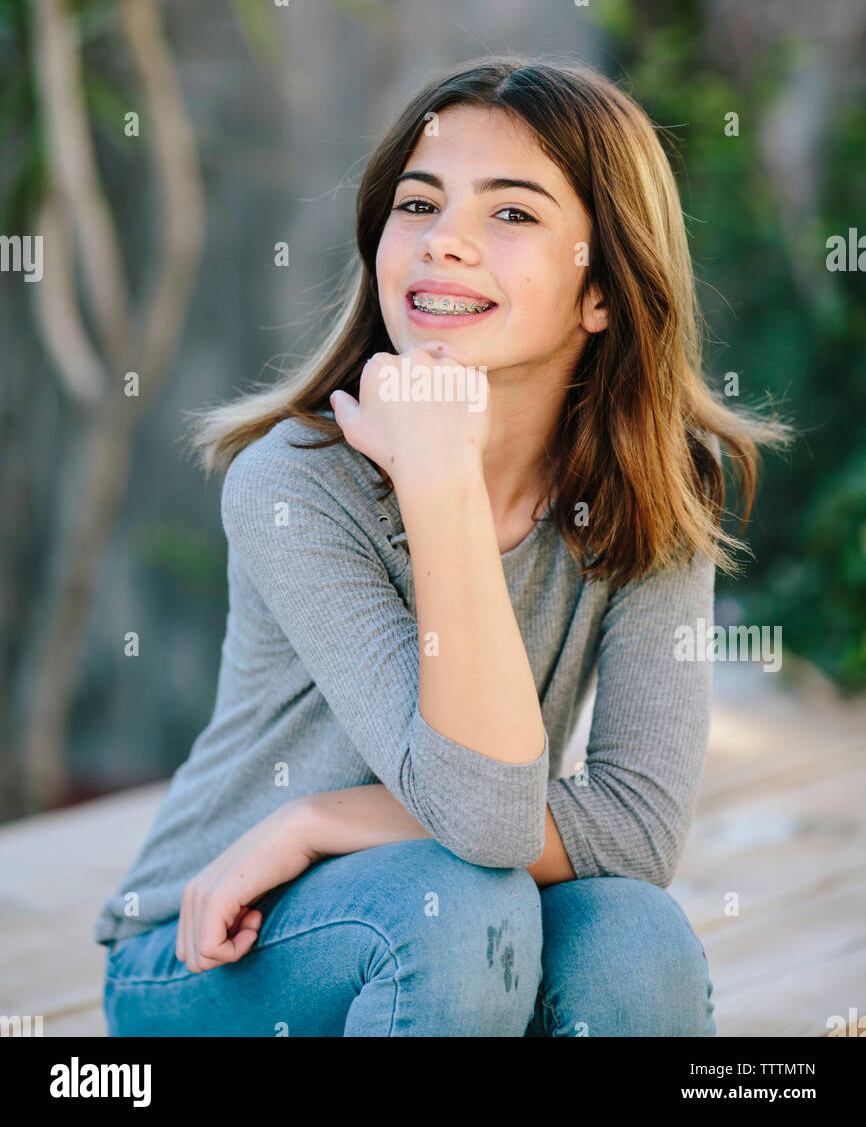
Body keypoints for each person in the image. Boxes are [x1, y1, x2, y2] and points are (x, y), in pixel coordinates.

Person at [95, 54, 788, 1036]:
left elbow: (634, 832)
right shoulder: (294, 483)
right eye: (418, 205)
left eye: (509, 213)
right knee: (456, 906)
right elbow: (491, 824)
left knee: (636, 935)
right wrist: (439, 483)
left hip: (447, 910)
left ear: (601, 291)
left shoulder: (652, 490)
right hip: (216, 946)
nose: (445, 242)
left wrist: (319, 820)